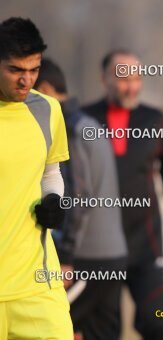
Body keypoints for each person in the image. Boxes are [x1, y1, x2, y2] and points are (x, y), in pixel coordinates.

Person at [83, 49, 163, 339]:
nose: (131, 85)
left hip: (145, 243)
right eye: (122, 78)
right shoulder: (82, 119)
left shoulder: (155, 119)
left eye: (136, 78)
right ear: (104, 79)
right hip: (98, 247)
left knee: (155, 324)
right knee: (103, 331)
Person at [35, 58, 128, 340]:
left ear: (47, 89)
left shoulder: (70, 130)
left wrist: (66, 256)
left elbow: (78, 198)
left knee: (50, 328)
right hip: (112, 257)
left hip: (87, 260)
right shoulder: (89, 124)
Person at [0, 17, 73, 339]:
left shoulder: (47, 110)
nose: (26, 80)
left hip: (37, 284)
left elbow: (51, 171)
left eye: (34, 69)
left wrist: (53, 199)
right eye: (16, 70)